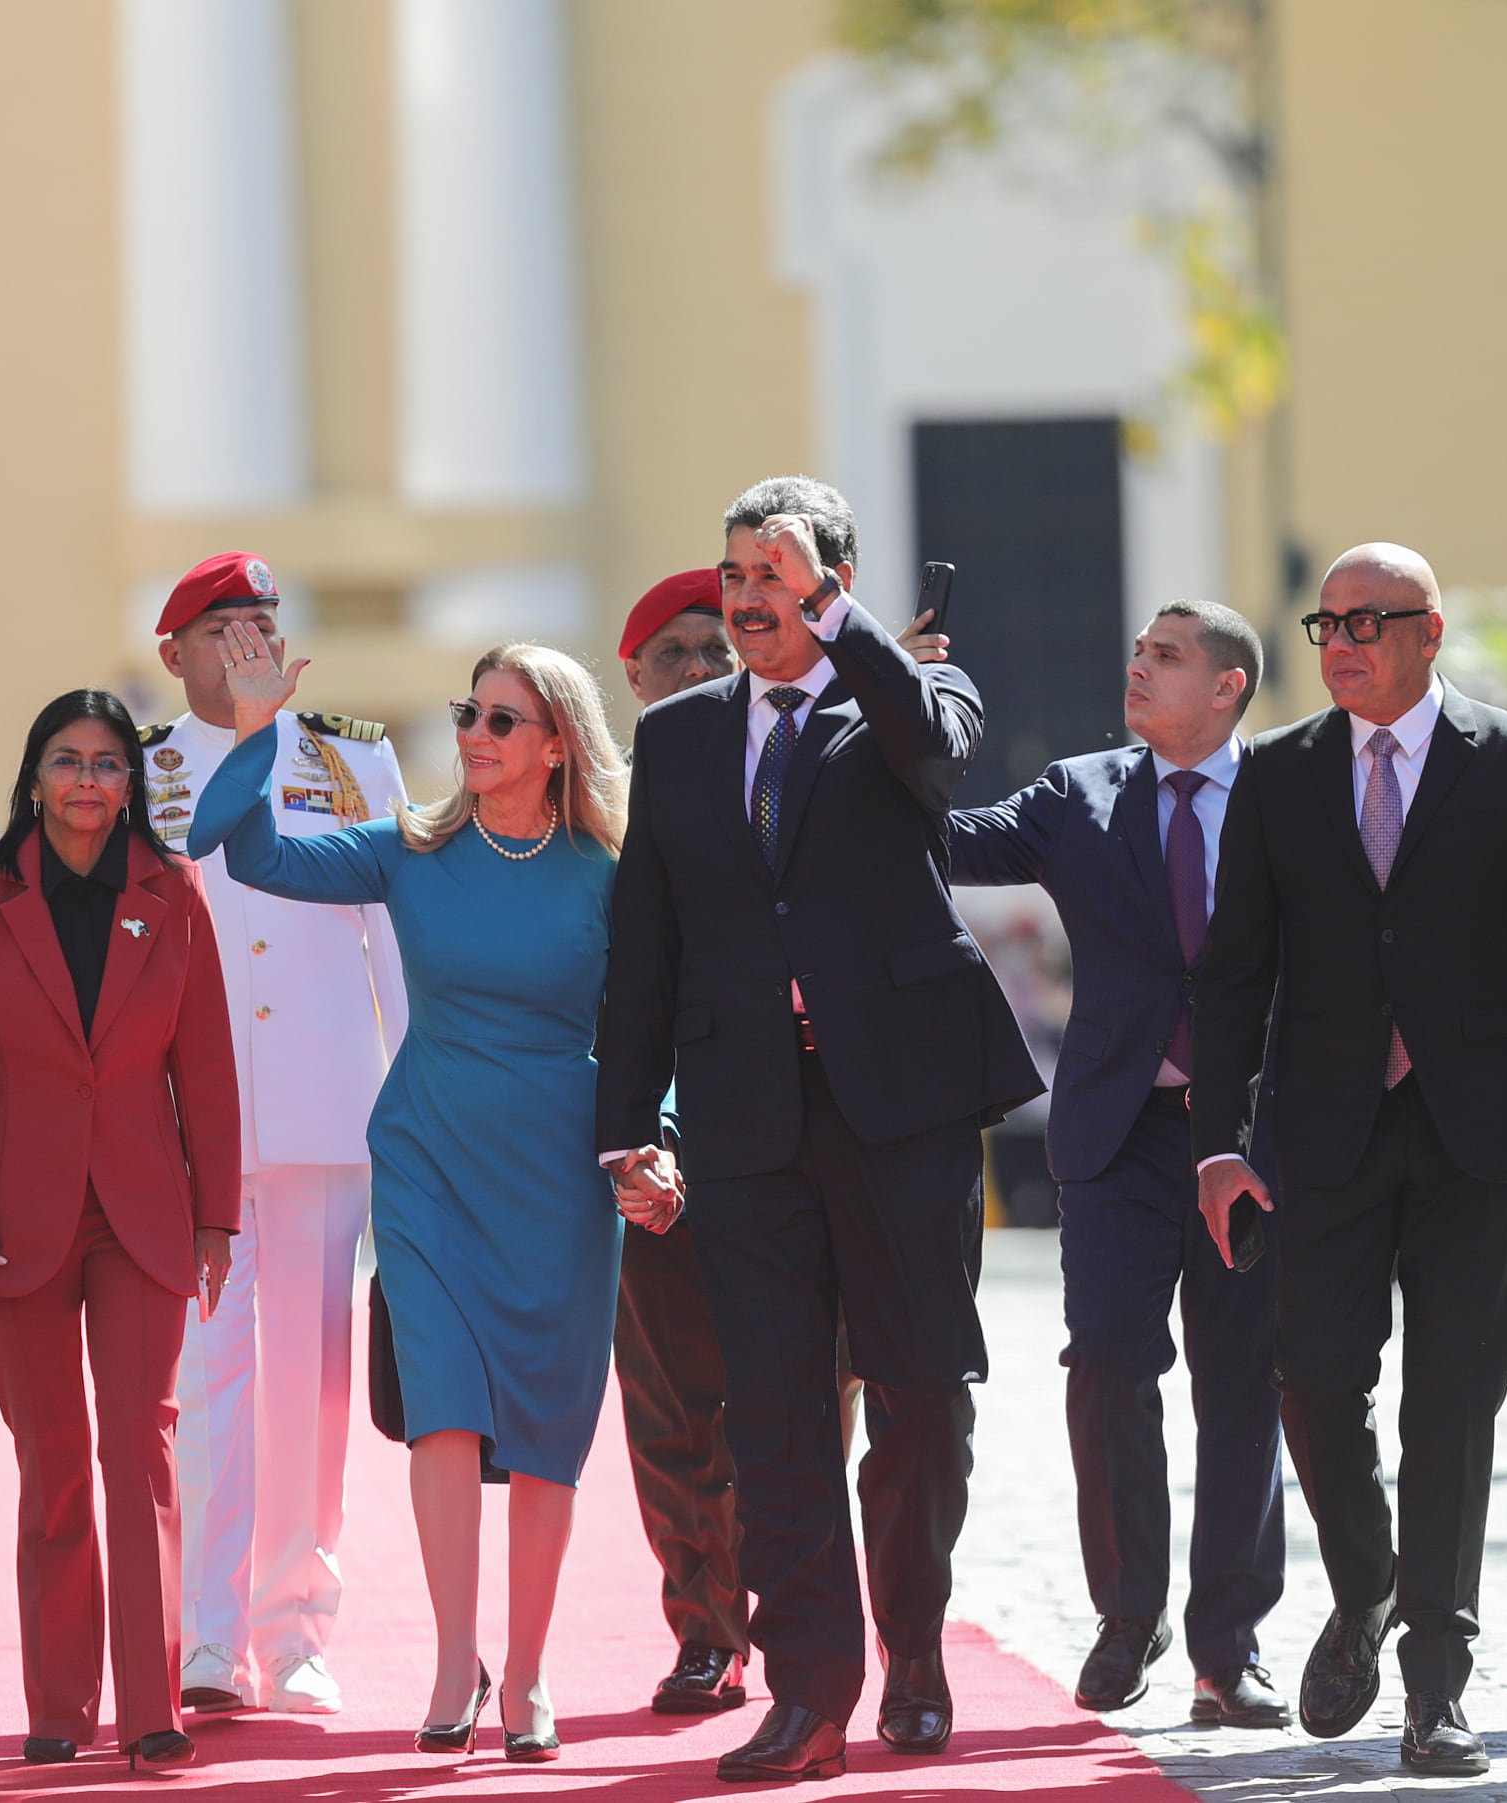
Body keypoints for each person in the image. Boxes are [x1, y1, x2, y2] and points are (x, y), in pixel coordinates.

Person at [598, 476, 1043, 1785]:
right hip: (746, 1112)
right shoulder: (680, 737)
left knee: (919, 1396)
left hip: (899, 1109)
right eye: (733, 573)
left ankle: (913, 1647)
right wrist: (625, 1123)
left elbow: (937, 753)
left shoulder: (911, 695)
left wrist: (850, 628)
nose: (743, 598)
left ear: (833, 582)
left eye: (773, 573)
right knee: (776, 1411)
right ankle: (809, 1690)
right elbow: (648, 944)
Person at [1193, 543, 1507, 1778]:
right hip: (1321, 1134)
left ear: (1430, 633)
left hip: (1474, 1133)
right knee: (1314, 1383)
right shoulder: (1276, 772)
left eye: (1369, 622)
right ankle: (1367, 1585)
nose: (1343, 643)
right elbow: (1233, 973)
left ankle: (1436, 1681)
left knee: (1452, 1408)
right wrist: (1218, 1141)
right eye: (1327, 623)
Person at [191, 629, 629, 1765]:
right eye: (466, 712)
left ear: (555, 746)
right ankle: (452, 1660)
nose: (471, 735)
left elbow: (653, 1029)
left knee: (545, 1430)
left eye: (498, 720)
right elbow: (247, 857)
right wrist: (250, 730)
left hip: (561, 1172)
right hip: (429, 1162)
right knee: (440, 1407)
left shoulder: (614, 873)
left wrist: (656, 1140)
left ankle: (526, 1670)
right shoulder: (411, 846)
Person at [945, 601, 1289, 1727]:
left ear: (1228, 687)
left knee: (1242, 1382)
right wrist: (888, 708)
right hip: (1119, 1132)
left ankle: (1227, 1645)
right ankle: (1127, 1613)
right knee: (1105, 1366)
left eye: (1169, 657)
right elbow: (944, 842)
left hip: (1250, 1133)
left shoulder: (1292, 794)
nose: (1138, 668)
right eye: (1138, 651)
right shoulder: (1074, 793)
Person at [0, 688, 240, 1770]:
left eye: (108, 762)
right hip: (16, 1221)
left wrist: (216, 1216)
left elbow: (205, 1065)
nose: (89, 780)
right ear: (34, 776)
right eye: (67, 760)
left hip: (144, 1216)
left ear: (130, 782)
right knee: (53, 1459)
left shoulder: (175, 888)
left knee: (138, 1447)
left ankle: (152, 1706)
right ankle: (59, 1706)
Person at [140, 553, 408, 1716]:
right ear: (175, 655)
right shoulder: (138, 768)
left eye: (262, 625)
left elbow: (393, 932)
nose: (249, 646)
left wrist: (417, 1095)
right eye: (222, 630)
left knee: (310, 1384)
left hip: (319, 1108)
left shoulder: (349, 754)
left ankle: (295, 1629)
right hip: (184, 1124)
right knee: (207, 1382)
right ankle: (208, 1636)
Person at [607, 567, 755, 1713]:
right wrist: (642, 1145)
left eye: (721, 651)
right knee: (671, 1415)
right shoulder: (584, 820)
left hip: (786, 1150)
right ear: (632, 677)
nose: (702, 671)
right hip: (648, 1157)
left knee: (797, 1406)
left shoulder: (787, 782)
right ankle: (703, 1629)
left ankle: (791, 1616)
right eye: (678, 656)